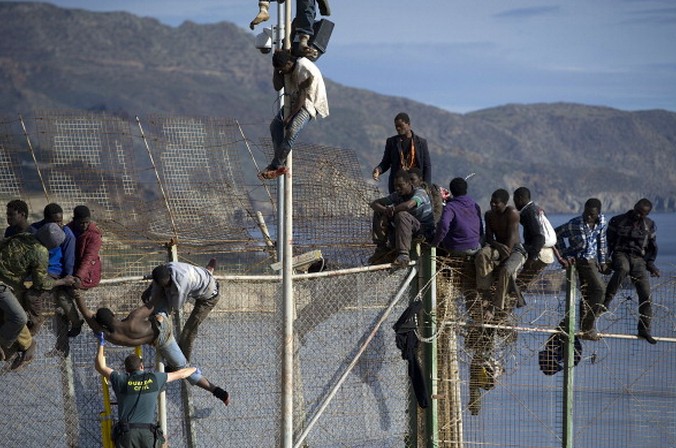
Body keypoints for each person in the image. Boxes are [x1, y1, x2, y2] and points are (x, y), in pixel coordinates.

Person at [75, 292, 231, 406]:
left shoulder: (110, 336)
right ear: (113, 314)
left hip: (162, 341)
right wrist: (157, 286)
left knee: (185, 369)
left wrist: (76, 297)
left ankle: (218, 392)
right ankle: (200, 289)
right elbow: (154, 302)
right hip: (162, 324)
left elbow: (88, 316)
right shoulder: (133, 319)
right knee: (160, 295)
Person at [0, 223, 74, 369]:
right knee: (19, 317)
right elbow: (40, 283)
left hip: (9, 287)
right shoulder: (41, 251)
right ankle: (10, 346)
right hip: (5, 285)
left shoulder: (24, 236)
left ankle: (22, 346)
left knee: (14, 316)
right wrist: (62, 281)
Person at [95, 341, 195, 448]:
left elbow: (100, 366)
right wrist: (194, 369)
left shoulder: (121, 380)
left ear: (127, 369)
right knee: (163, 440)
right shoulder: (154, 379)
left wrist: (101, 343)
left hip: (126, 435)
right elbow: (181, 374)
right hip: (147, 435)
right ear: (142, 366)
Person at [258, 49, 329, 180]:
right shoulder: (285, 68)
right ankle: (279, 163)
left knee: (292, 130)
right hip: (293, 101)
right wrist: (276, 70)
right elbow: (277, 86)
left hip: (308, 103)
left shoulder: (303, 67)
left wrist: (290, 117)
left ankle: (275, 165)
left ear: (289, 63)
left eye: (283, 68)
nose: (282, 72)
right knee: (275, 127)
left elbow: (302, 95)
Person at [604, 198, 660, 344]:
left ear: (647, 214)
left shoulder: (649, 225)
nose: (638, 215)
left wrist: (651, 264)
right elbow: (607, 242)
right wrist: (606, 261)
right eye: (637, 211)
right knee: (623, 269)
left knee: (646, 295)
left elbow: (652, 247)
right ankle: (606, 301)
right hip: (620, 254)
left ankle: (644, 329)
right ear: (634, 207)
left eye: (643, 214)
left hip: (638, 259)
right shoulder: (618, 221)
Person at [554, 198, 609, 341]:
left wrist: (602, 261)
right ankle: (588, 326)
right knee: (600, 290)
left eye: (592, 214)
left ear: (598, 213)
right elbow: (556, 234)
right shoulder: (575, 224)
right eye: (586, 212)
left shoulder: (602, 223)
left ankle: (585, 327)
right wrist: (565, 254)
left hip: (592, 259)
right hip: (581, 260)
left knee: (587, 294)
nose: (588, 216)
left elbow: (602, 242)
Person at [143, 260, 219, 361]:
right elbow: (157, 287)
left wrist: (161, 300)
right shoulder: (167, 268)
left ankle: (182, 363)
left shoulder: (181, 286)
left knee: (188, 332)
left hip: (209, 295)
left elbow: (176, 306)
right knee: (145, 295)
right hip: (201, 276)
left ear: (169, 280)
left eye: (166, 286)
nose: (165, 288)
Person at [30, 203, 82, 338]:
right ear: (46, 220)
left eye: (61, 221)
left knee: (63, 298)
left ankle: (76, 323)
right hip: (35, 272)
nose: (59, 225)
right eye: (55, 221)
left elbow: (69, 259)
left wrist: (67, 279)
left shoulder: (67, 235)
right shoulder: (34, 230)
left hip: (56, 274)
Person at [368, 169, 435, 268]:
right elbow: (375, 203)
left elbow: (408, 206)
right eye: (395, 186)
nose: (397, 188)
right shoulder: (397, 195)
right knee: (379, 211)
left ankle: (403, 254)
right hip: (406, 227)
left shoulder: (420, 193)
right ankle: (381, 248)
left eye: (400, 185)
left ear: (408, 183)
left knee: (402, 214)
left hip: (423, 230)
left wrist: (392, 211)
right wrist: (385, 211)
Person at [474, 189, 525, 313]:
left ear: (504, 203)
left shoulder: (512, 213)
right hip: (498, 247)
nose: (492, 205)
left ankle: (497, 306)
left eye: (496, 203)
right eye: (491, 202)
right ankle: (485, 292)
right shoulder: (489, 215)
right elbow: (489, 237)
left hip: (515, 249)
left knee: (506, 270)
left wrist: (503, 258)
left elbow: (512, 238)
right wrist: (497, 245)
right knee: (482, 254)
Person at [513, 187, 556, 300]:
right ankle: (515, 299)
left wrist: (531, 258)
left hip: (536, 251)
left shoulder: (528, 213)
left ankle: (512, 302)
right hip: (546, 252)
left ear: (520, 199)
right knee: (522, 282)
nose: (514, 203)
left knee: (517, 283)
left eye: (515, 199)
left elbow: (539, 237)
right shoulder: (538, 209)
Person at [372, 112, 431, 194]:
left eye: (401, 126)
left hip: (415, 184)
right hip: (398, 186)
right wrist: (378, 169)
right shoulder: (392, 142)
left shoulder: (421, 143)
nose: (398, 128)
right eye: (396, 126)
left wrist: (426, 187)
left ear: (408, 125)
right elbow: (386, 162)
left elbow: (426, 166)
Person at [431, 177, 483, 258]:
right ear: (466, 189)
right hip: (475, 247)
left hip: (456, 248)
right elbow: (481, 229)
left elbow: (444, 225)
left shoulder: (450, 207)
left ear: (451, 191)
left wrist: (435, 243)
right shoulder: (475, 205)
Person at [66, 205, 103, 291]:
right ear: (74, 220)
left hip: (87, 274)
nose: (84, 225)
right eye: (81, 223)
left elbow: (89, 258)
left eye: (87, 222)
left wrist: (79, 276)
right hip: (71, 270)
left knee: (73, 292)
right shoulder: (68, 230)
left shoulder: (94, 235)